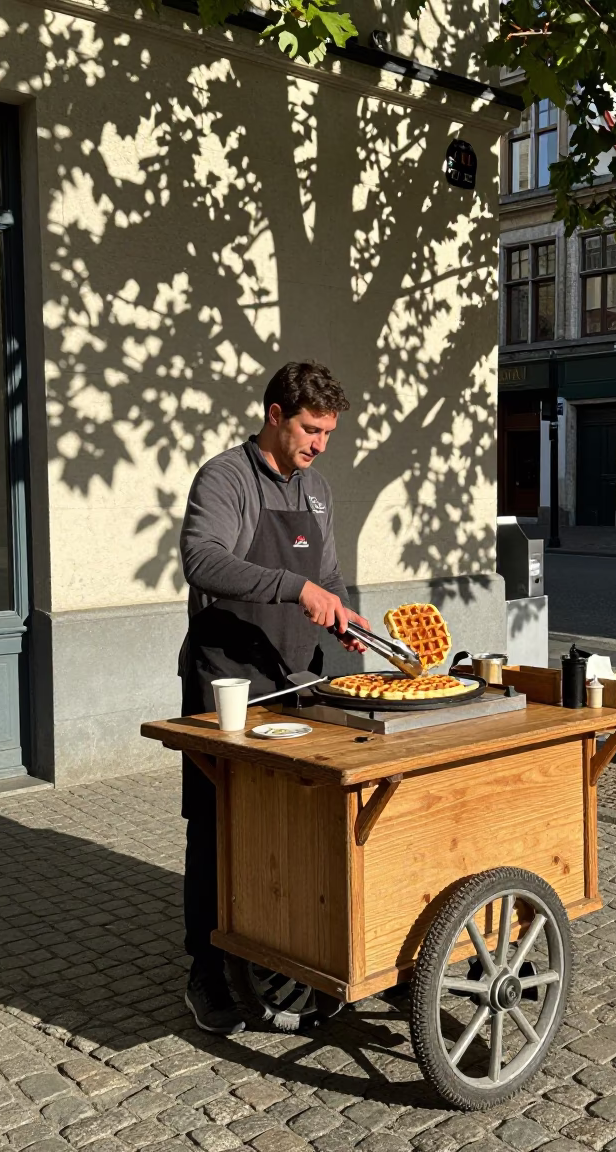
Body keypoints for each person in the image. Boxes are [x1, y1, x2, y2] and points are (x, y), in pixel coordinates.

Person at [178, 361, 369, 1034]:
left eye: (328, 433)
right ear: (274, 415)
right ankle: (204, 967)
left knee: (294, 821)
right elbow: (202, 558)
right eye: (310, 430)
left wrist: (349, 619)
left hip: (299, 679)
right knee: (218, 820)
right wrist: (295, 588)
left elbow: (332, 576)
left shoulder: (317, 490)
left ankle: (288, 951)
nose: (320, 445)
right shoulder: (226, 478)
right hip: (230, 678)